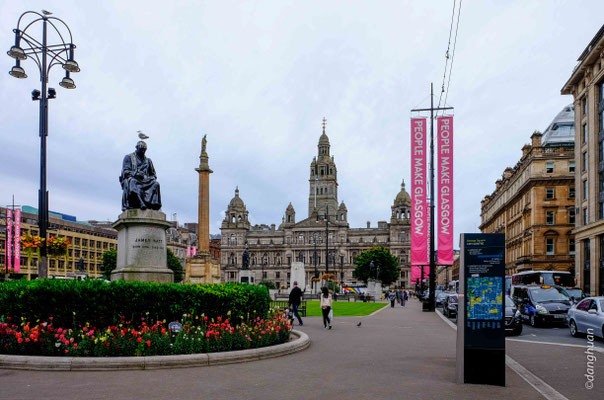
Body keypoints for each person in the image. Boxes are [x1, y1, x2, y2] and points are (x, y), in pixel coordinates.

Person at [120, 141, 162, 211]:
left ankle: (153, 205)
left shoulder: (148, 161)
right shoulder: (128, 157)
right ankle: (140, 203)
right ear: (136, 148)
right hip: (134, 178)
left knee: (156, 183)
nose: (143, 151)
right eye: (141, 149)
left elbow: (153, 174)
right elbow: (125, 171)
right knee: (132, 181)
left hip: (145, 181)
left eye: (144, 150)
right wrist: (136, 174)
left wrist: (147, 177)